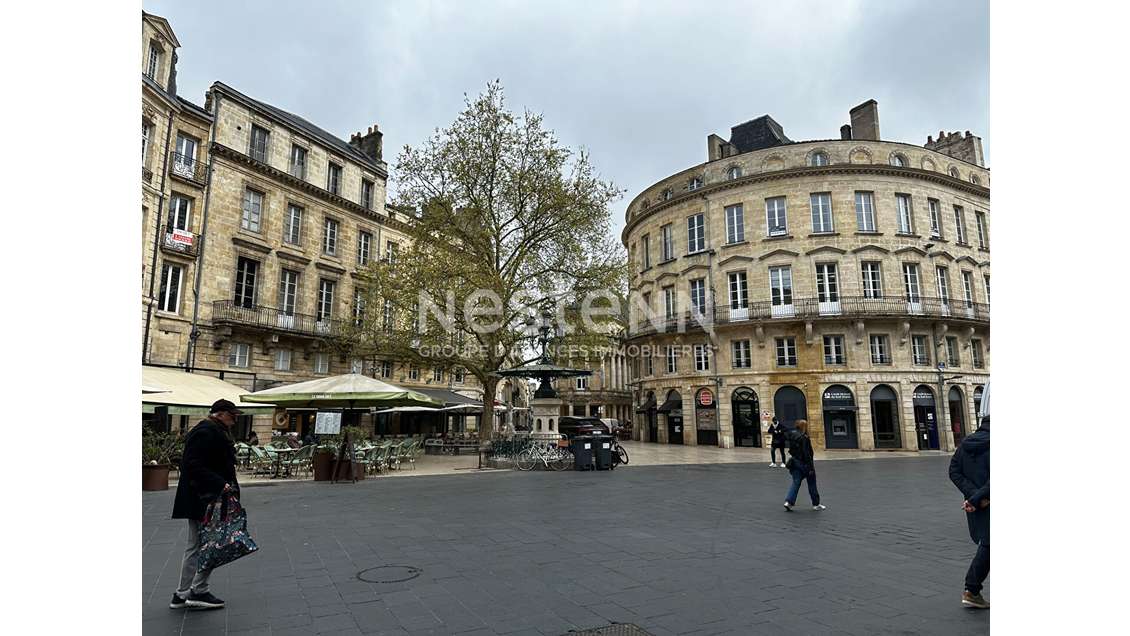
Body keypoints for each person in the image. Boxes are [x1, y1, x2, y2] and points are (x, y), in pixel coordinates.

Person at [169, 399, 242, 610]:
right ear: (219, 414)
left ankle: (182, 594)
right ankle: (198, 590)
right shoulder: (207, 431)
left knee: (197, 545)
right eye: (232, 415)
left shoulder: (212, 430)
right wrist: (222, 484)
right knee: (210, 544)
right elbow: (191, 464)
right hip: (206, 498)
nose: (235, 419)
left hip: (203, 497)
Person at [949, 415, 990, 609]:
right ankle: (971, 589)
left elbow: (954, 471)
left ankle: (972, 590)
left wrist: (973, 496)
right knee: (989, 545)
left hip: (976, 504)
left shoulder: (965, 444)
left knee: (988, 543)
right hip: (982, 501)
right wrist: (978, 497)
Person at [783, 419, 825, 511]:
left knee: (796, 483)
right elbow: (807, 454)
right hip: (804, 463)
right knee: (812, 483)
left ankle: (788, 502)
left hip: (795, 462)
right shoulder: (804, 437)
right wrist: (810, 467)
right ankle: (816, 504)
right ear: (804, 427)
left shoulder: (792, 435)